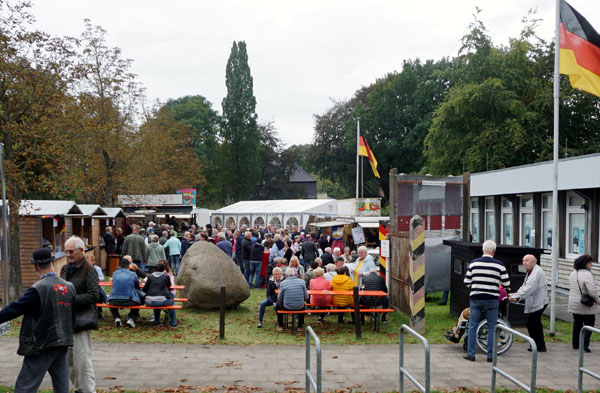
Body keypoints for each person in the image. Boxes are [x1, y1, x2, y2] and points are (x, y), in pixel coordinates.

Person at [0, 248, 75, 393]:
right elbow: (72, 315)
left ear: (35, 266)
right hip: (62, 343)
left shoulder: (37, 289)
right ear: (53, 262)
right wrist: (69, 337)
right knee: (62, 387)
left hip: (41, 344)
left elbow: (14, 309)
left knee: (25, 387)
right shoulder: (69, 287)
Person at [60, 235, 99, 393]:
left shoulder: (89, 270)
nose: (68, 255)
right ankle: (80, 388)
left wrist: (70, 299)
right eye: (66, 251)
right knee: (69, 362)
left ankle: (88, 390)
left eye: (71, 251)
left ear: (81, 251)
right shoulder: (64, 269)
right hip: (65, 321)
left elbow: (94, 295)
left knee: (82, 362)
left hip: (81, 321)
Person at [463, 240, 510, 362]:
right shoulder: (499, 265)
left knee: (473, 326)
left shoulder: (474, 263)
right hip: (492, 299)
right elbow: (507, 283)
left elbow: (467, 282)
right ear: (494, 251)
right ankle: (490, 356)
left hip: (476, 298)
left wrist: (476, 287)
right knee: (491, 327)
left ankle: (471, 354)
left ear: (483, 250)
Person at [509, 254, 548, 352]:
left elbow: (529, 288)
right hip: (536, 301)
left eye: (526, 261)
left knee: (532, 323)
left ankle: (539, 345)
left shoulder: (536, 273)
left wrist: (516, 297)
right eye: (523, 261)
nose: (524, 263)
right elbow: (524, 285)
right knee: (534, 323)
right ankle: (537, 344)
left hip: (539, 302)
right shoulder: (530, 272)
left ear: (533, 262)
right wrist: (516, 294)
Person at [568, 254, 600, 352]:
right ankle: (584, 345)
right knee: (589, 325)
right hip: (586, 305)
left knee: (577, 324)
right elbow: (592, 291)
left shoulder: (574, 273)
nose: (591, 265)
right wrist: (597, 301)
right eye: (590, 263)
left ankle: (575, 344)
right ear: (585, 264)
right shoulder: (587, 274)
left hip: (574, 303)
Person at [108, 258, 143, 328]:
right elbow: (138, 286)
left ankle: (117, 318)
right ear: (128, 266)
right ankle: (131, 318)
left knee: (111, 303)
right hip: (129, 300)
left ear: (120, 266)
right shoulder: (133, 274)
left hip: (114, 300)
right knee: (138, 302)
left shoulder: (114, 274)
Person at [143, 261, 177, 327]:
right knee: (171, 302)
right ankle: (174, 323)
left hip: (148, 301)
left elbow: (144, 289)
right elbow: (169, 286)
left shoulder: (150, 276)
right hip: (160, 300)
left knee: (157, 300)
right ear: (164, 268)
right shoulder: (166, 277)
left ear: (156, 268)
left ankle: (157, 322)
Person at [276, 267, 309, 331]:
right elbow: (306, 297)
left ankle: (281, 325)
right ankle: (300, 326)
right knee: (303, 306)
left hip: (287, 306)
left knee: (278, 305)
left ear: (286, 275)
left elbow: (280, 298)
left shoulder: (283, 283)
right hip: (300, 306)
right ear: (295, 274)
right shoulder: (302, 282)